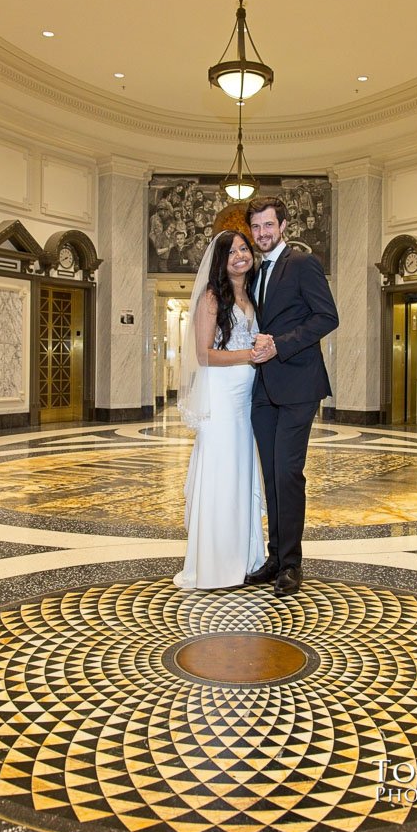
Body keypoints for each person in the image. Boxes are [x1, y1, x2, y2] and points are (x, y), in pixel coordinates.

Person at [244, 196, 339, 597]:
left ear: (283, 226)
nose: (263, 233)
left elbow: (327, 316)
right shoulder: (252, 271)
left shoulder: (301, 263)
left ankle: (292, 563)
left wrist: (280, 345)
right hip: (262, 388)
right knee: (270, 475)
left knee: (287, 473)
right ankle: (274, 557)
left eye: (269, 226)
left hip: (299, 385)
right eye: (256, 227)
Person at [173, 230, 269, 589]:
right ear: (221, 260)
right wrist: (250, 354)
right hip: (221, 398)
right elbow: (203, 354)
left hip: (245, 401)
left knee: (242, 473)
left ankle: (244, 558)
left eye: (245, 248)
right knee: (222, 475)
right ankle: (216, 564)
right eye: (232, 252)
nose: (241, 255)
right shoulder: (213, 298)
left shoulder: (253, 295)